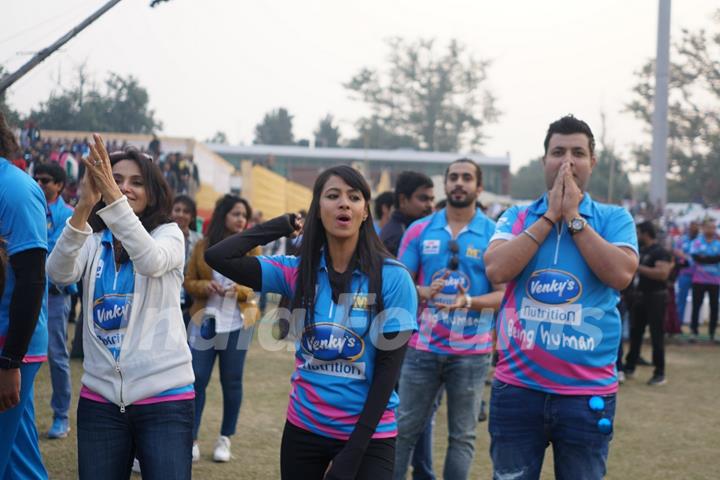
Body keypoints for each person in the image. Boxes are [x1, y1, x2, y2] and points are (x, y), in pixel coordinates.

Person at [205, 165, 418, 480]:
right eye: (332, 196)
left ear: (364, 212)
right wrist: (282, 224)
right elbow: (219, 257)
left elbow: (388, 374)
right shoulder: (296, 270)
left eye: (354, 197)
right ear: (318, 210)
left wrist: (353, 453)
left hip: (369, 437)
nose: (344, 203)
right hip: (303, 431)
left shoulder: (393, 277)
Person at [484, 115, 639, 480]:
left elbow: (620, 275)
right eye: (557, 152)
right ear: (544, 161)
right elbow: (497, 270)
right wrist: (549, 216)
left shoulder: (614, 218)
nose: (567, 162)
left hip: (587, 395)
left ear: (592, 162)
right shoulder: (518, 215)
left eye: (577, 153)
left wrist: (573, 217)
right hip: (517, 390)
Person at [47, 135, 195, 480]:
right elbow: (57, 273)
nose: (124, 188)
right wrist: (84, 206)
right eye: (115, 179)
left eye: (136, 182)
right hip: (100, 399)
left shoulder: (169, 234)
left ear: (153, 191)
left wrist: (111, 196)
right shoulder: (94, 239)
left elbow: (150, 261)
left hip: (164, 398)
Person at [393, 158, 504, 480]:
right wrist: (422, 291)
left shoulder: (495, 235)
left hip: (471, 353)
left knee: (463, 437)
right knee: (402, 431)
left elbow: (504, 295)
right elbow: (398, 285)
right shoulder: (419, 229)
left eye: (467, 178)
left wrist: (468, 302)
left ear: (478, 187)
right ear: (446, 184)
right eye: (453, 177)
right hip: (421, 349)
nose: (459, 183)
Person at [184, 194, 259, 463]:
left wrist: (237, 290)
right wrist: (206, 286)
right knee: (198, 379)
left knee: (232, 381)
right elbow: (188, 281)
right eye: (236, 214)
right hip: (205, 322)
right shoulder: (203, 246)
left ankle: (225, 439)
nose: (241, 220)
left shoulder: (252, 249)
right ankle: (191, 439)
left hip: (238, 324)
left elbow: (255, 288)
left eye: (244, 216)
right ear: (224, 215)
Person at [0, 112, 49, 479]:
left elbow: (32, 280)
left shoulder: (15, 188)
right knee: (19, 462)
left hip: (10, 346)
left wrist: (9, 362)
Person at [33, 162, 77, 438]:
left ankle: (61, 416)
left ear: (60, 185)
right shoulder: (32, 206)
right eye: (36, 179)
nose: (39, 184)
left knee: (57, 356)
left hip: (55, 296)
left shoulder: (69, 215)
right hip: (28, 292)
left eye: (46, 180)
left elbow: (55, 251)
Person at [624, 221, 673, 385]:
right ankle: (630, 365)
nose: (636, 235)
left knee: (656, 334)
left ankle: (660, 372)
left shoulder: (660, 252)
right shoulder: (641, 250)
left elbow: (662, 274)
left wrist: (637, 267)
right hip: (640, 296)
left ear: (646, 233)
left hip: (656, 297)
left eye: (638, 232)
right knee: (635, 332)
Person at [380, 171, 434, 258]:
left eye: (432, 200)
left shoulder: (418, 228)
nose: (430, 205)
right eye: (423, 199)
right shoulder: (395, 236)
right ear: (403, 200)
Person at [171, 195, 203, 327]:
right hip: (168, 296)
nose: (181, 214)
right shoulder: (159, 235)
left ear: (192, 216)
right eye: (177, 210)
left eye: (186, 211)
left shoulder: (199, 240)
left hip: (191, 300)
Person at [689, 218, 720, 342]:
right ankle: (693, 332)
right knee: (696, 306)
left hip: (715, 281)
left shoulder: (718, 244)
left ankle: (712, 333)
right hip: (699, 280)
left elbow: (717, 259)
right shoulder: (696, 242)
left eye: (713, 227)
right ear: (703, 228)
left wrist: (706, 258)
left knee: (714, 307)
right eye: (708, 227)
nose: (711, 229)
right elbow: (696, 257)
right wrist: (711, 258)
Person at [674, 221, 699, 327]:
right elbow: (675, 251)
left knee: (697, 301)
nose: (693, 229)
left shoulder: (701, 240)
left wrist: (685, 256)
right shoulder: (682, 240)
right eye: (691, 227)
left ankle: (694, 326)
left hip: (699, 276)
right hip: (684, 274)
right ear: (688, 228)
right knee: (681, 300)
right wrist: (684, 256)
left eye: (695, 228)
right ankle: (678, 324)